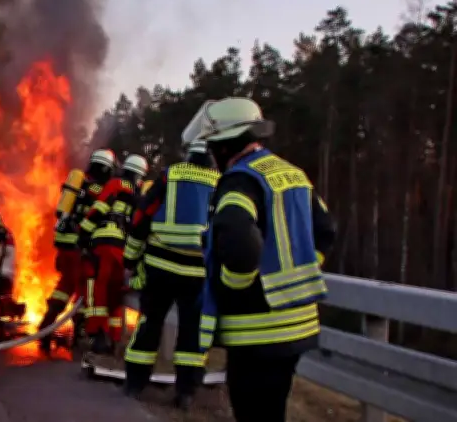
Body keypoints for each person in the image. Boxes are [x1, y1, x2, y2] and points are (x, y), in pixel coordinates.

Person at [194, 97, 336, 422]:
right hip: (297, 327)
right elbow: (326, 229)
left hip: (256, 331)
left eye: (213, 146)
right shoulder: (292, 173)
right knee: (273, 411)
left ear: (226, 145)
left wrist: (236, 286)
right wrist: (296, 273)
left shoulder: (239, 181)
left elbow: (238, 240)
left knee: (253, 412)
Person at [121, 134, 220, 409]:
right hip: (196, 272)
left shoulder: (169, 176)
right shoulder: (219, 183)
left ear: (189, 154)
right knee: (191, 331)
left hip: (160, 266)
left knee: (150, 323)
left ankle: (134, 385)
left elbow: (142, 216)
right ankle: (185, 393)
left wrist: (130, 258)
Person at [39, 149, 116, 353]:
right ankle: (81, 337)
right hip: (80, 248)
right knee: (84, 292)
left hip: (64, 246)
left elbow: (63, 212)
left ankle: (46, 328)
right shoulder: (101, 190)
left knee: (64, 288)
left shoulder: (79, 182)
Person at [78, 154, 149, 355]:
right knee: (115, 293)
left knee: (98, 288)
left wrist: (83, 233)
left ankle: (98, 334)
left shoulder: (116, 184)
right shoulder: (138, 194)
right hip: (123, 248)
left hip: (104, 242)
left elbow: (99, 208)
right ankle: (115, 337)